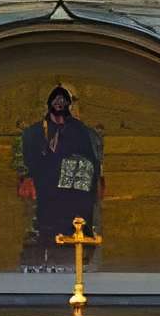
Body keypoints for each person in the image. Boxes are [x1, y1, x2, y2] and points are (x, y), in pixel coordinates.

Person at [15, 83, 104, 269]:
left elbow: (92, 170)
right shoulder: (33, 133)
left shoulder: (84, 134)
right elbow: (25, 168)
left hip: (74, 204)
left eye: (64, 100)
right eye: (55, 100)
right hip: (44, 202)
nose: (59, 103)